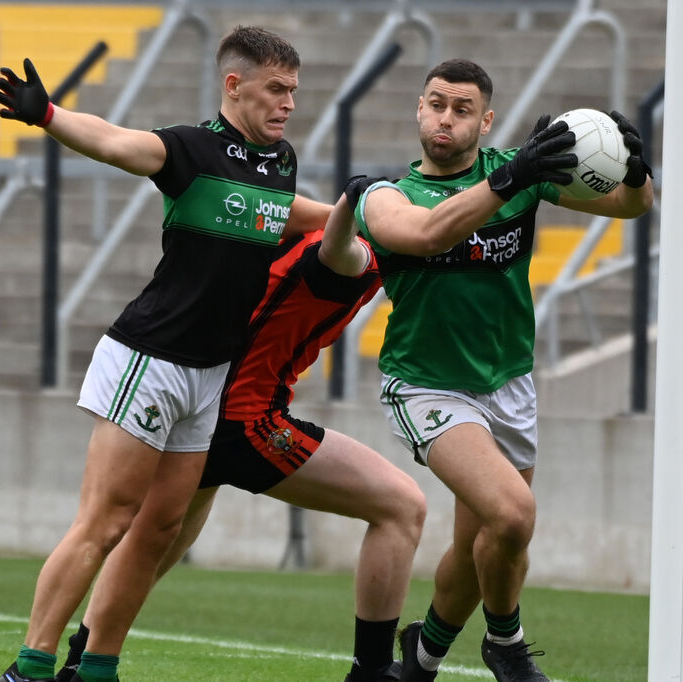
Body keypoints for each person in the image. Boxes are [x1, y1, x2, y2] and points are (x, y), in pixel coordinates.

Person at [0, 26, 332, 682]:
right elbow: (118, 143)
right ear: (234, 86)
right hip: (151, 359)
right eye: (276, 89)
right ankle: (29, 668)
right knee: (105, 521)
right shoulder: (191, 149)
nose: (289, 102)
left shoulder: (279, 161)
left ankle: (96, 669)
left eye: (294, 90)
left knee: (159, 528)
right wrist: (49, 115)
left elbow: (282, 213)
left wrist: (362, 211)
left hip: (210, 373)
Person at [351, 59, 653, 682]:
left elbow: (630, 207)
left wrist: (638, 170)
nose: (446, 118)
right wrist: (512, 178)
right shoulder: (386, 195)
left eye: (462, 109)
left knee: (481, 544)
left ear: (485, 121)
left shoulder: (518, 176)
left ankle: (420, 661)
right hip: (426, 385)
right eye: (436, 104)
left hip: (508, 382)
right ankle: (506, 646)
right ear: (418, 108)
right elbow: (429, 234)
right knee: (513, 513)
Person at [53, 185, 426, 682]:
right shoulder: (350, 253)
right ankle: (373, 670)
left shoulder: (272, 239)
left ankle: (82, 661)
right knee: (401, 506)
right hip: (246, 423)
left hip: (198, 404)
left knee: (152, 544)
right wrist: (352, 204)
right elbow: (342, 249)